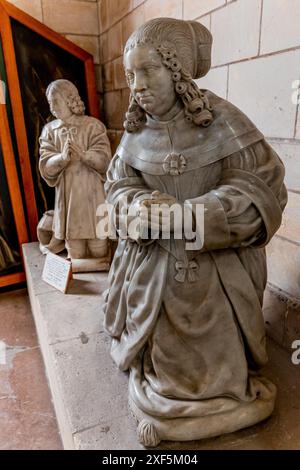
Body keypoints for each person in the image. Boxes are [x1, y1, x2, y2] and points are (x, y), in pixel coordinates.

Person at [103, 18, 287, 446]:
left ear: (177, 70)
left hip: (216, 268)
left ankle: (216, 399)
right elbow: (116, 187)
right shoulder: (134, 135)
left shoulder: (224, 122)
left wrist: (197, 215)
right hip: (155, 263)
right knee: (161, 323)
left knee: (216, 346)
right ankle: (167, 397)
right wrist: (137, 205)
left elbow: (262, 189)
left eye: (148, 70)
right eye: (131, 75)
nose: (138, 85)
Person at [39, 79, 111, 270]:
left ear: (70, 100)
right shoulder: (50, 130)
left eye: (55, 101)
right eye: (49, 102)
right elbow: (45, 166)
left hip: (93, 197)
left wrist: (85, 155)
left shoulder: (93, 126)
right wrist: (62, 158)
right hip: (68, 200)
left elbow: (106, 162)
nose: (52, 107)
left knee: (99, 251)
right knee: (76, 253)